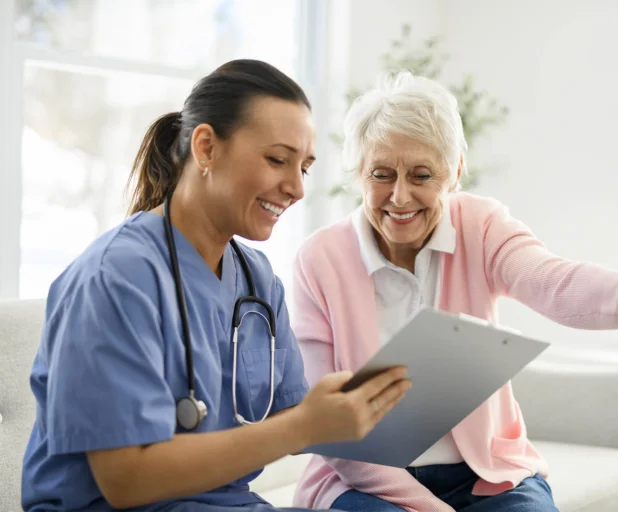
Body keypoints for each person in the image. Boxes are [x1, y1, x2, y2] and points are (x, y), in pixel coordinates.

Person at [290, 72, 618, 512]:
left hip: (485, 474)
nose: (400, 197)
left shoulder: (481, 226)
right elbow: (329, 425)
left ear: (454, 171)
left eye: (421, 175)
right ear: (357, 176)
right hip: (362, 482)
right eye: (381, 174)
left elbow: (554, 282)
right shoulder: (318, 259)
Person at [20, 59, 411, 512]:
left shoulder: (257, 280)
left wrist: (363, 406)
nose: (296, 189)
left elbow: (289, 417)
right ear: (205, 148)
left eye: (303, 167)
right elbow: (125, 480)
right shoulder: (114, 278)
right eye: (277, 160)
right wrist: (302, 426)